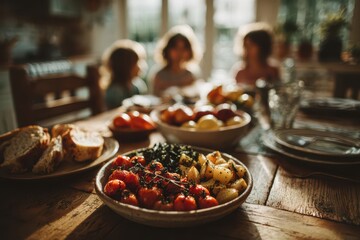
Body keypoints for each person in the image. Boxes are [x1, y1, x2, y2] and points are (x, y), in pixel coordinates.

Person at [149, 25, 202, 97]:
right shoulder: (159, 75)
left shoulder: (191, 75)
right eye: (175, 48)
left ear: (190, 51)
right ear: (167, 49)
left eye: (184, 48)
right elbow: (153, 99)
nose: (179, 53)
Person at [100, 39, 148, 109]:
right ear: (125, 67)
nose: (140, 67)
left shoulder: (137, 86)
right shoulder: (115, 92)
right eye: (136, 63)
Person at [232, 23, 280, 88]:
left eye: (251, 45)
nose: (247, 49)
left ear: (262, 47)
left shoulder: (272, 71)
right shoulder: (240, 72)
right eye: (245, 45)